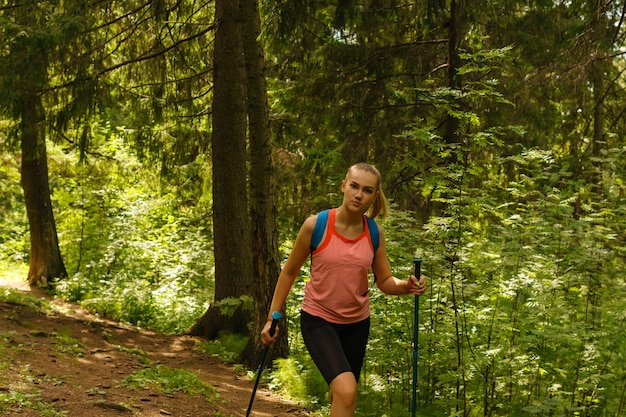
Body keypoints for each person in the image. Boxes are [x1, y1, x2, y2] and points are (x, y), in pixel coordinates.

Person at [261, 162, 427, 417]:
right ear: (344, 186)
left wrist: (407, 286)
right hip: (319, 320)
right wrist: (273, 316)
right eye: (354, 186)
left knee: (341, 394)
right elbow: (289, 272)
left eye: (368, 190)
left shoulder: (374, 233)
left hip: (357, 325)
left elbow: (384, 281)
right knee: (347, 391)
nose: (359, 194)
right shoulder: (316, 226)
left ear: (374, 196)